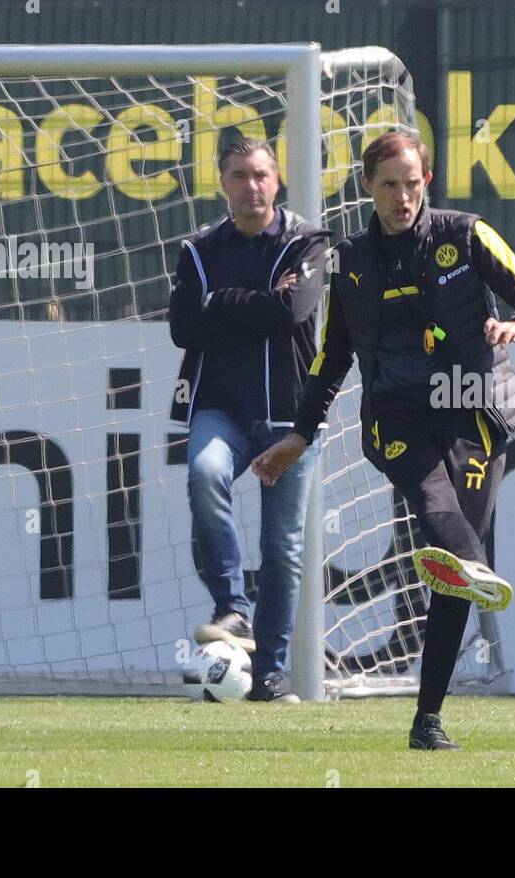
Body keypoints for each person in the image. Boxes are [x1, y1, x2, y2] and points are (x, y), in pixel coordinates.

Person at [251, 131, 515, 747]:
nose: (401, 196)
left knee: (451, 576)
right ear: (367, 185)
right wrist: (301, 435)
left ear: (427, 181)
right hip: (395, 417)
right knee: (437, 507)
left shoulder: (466, 234)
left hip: (471, 408)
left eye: (411, 183)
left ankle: (427, 720)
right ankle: (476, 566)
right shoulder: (351, 259)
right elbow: (332, 355)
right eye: (389, 184)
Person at [168, 137, 329, 703]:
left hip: (290, 418)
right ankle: (231, 607)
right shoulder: (197, 249)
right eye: (239, 175)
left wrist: (219, 304)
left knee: (282, 547)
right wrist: (254, 303)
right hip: (220, 408)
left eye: (260, 174)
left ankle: (271, 676)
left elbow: (291, 311)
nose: (251, 186)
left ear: (277, 179)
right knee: (205, 473)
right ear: (223, 182)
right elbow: (184, 328)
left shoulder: (306, 241)